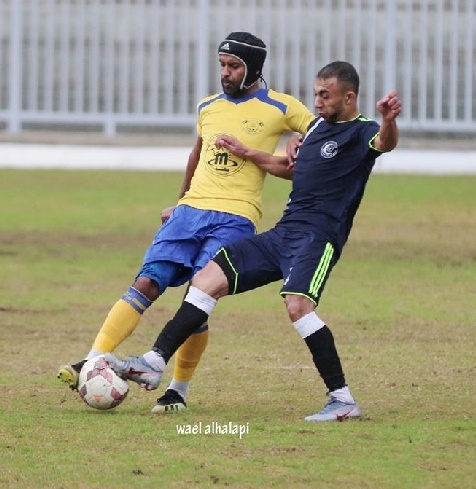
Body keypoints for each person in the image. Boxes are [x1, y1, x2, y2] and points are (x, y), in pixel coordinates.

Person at [104, 61, 401, 421]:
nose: (318, 102)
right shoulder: (317, 129)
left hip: (317, 238)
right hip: (283, 232)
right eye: (316, 93)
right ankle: (153, 362)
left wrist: (388, 120)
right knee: (206, 279)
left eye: (326, 95)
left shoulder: (361, 132)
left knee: (298, 307)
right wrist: (248, 153)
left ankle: (343, 399)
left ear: (349, 97)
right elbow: (287, 169)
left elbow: (385, 143)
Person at [57, 31, 315, 413]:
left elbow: (320, 131)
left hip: (236, 217)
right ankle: (93, 361)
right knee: (146, 281)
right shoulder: (208, 107)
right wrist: (179, 204)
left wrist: (300, 140)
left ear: (254, 68)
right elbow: (196, 155)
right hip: (190, 212)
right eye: (222, 65)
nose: (225, 73)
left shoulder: (280, 106)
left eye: (234, 66)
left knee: (197, 295)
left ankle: (177, 389)